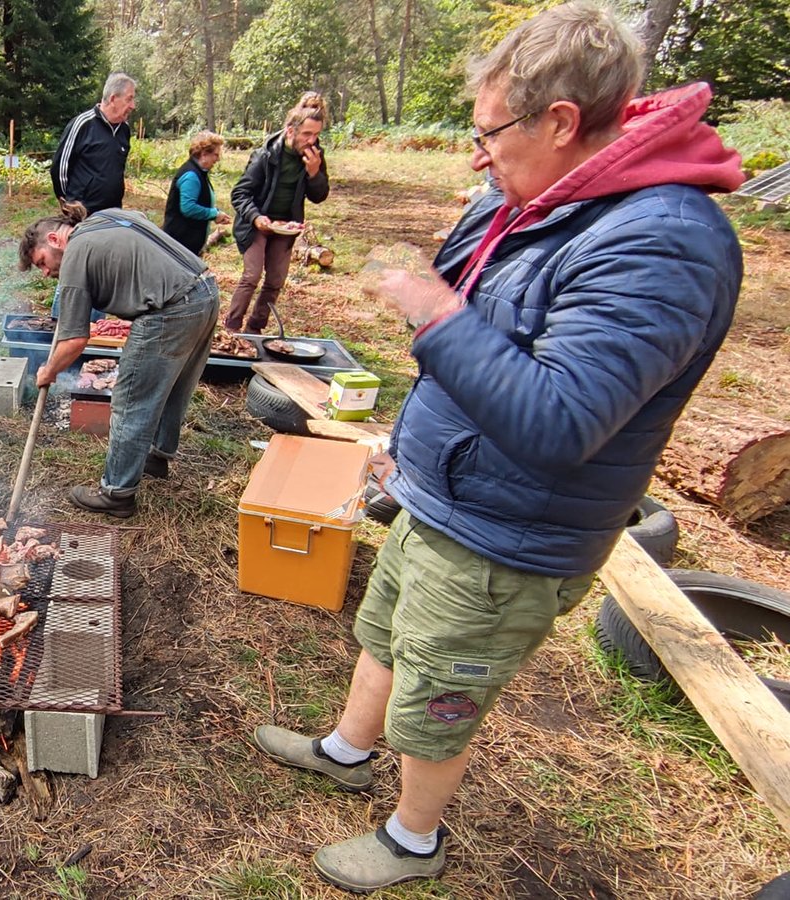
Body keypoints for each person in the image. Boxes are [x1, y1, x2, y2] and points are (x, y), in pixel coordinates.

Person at [252, 4, 743, 892]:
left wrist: (434, 311)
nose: (478, 154)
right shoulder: (552, 203)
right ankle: (344, 750)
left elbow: (559, 421)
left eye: (490, 133)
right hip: (446, 496)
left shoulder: (659, 239)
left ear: (560, 122)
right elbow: (488, 339)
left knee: (442, 689)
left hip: (505, 536)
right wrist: (408, 443)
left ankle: (413, 841)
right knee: (385, 631)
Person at [19, 201, 218, 519]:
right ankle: (157, 456)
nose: (46, 273)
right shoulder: (108, 217)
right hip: (204, 290)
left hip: (170, 309)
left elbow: (73, 340)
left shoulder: (75, 254)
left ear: (55, 240)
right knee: (173, 384)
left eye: (42, 262)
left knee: (130, 400)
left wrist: (49, 371)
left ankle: (117, 493)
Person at [225, 92, 330, 333]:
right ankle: (231, 327)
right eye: (307, 134)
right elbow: (240, 193)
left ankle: (255, 328)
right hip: (257, 223)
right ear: (291, 131)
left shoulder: (314, 157)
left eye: (316, 135)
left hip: (286, 226)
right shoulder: (266, 155)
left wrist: (315, 173)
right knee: (251, 276)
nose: (312, 141)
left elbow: (319, 196)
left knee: (275, 281)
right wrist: (256, 217)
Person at [51, 73, 137, 215]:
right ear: (113, 99)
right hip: (82, 212)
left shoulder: (124, 130)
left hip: (113, 211)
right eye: (129, 99)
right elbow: (59, 167)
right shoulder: (82, 124)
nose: (133, 106)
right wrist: (68, 202)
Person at [162, 131, 233, 257]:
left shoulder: (200, 172)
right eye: (215, 155)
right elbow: (188, 208)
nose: (218, 159)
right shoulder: (191, 176)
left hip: (189, 243)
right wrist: (213, 214)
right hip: (181, 243)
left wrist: (216, 214)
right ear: (204, 154)